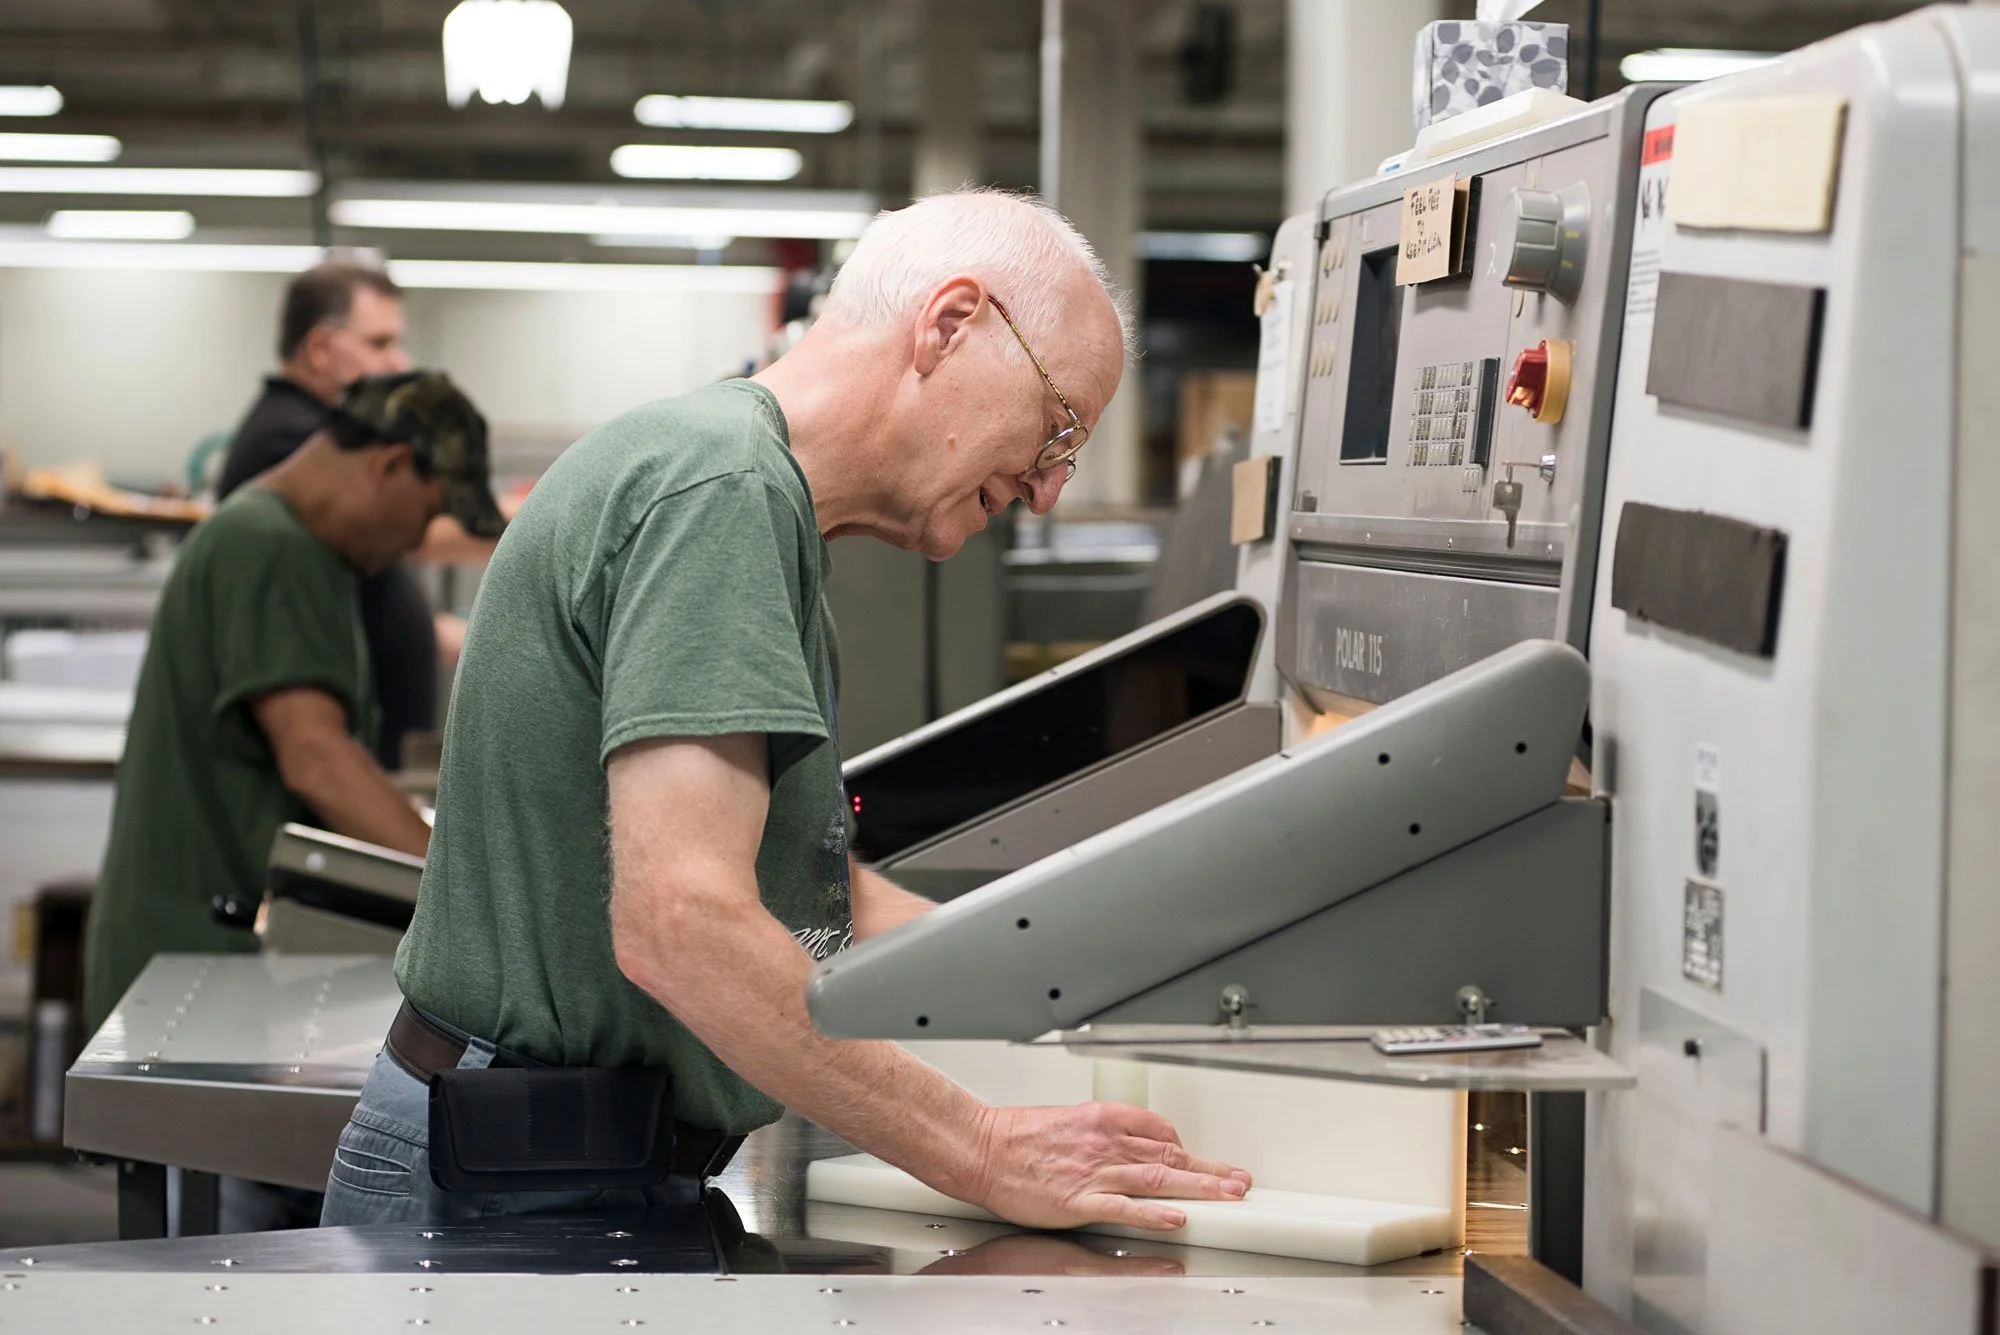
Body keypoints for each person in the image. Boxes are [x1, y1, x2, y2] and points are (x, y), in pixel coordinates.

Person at [321, 189, 1252, 1231]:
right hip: (521, 1178)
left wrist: (1086, 977)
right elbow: (682, 925)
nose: (1047, 490)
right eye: (1059, 425)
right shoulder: (719, 493)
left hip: (561, 1160)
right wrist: (980, 1148)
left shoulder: (748, 499)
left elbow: (812, 895)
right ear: (949, 324)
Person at [84, 371, 504, 1038]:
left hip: (193, 962)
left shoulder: (281, 539)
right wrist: (469, 894)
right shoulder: (272, 546)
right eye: (426, 512)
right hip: (196, 966)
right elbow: (317, 757)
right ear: (390, 465)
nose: (415, 542)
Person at [217, 262, 484, 770]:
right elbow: (413, 532)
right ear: (320, 348)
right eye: (380, 344)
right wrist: (541, 525)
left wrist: (425, 628)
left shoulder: (321, 435)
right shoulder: (298, 446)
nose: (398, 362)